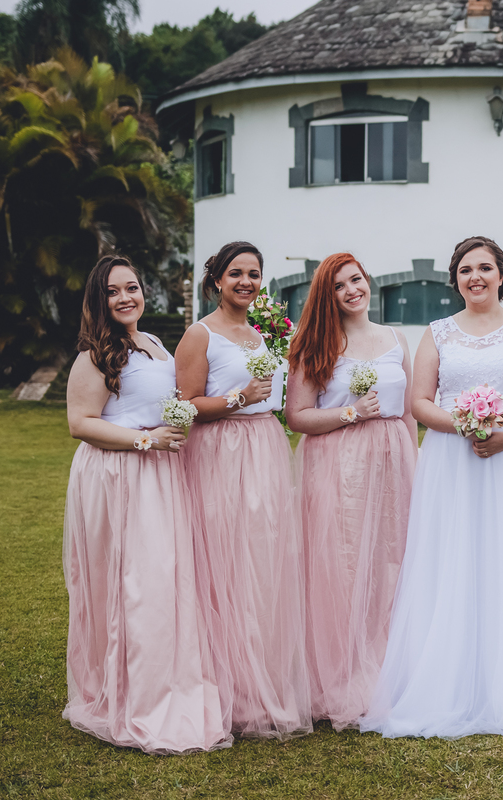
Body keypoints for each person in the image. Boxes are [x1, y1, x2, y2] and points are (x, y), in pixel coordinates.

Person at [361, 235, 503, 739]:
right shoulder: (437, 332)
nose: (474, 277)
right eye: (464, 270)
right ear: (455, 280)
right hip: (451, 459)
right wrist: (467, 425)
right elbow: (421, 401)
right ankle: (445, 678)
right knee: (450, 554)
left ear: (502, 274)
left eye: (484, 268)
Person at [63, 255, 231, 754]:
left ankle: (167, 683)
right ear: (99, 300)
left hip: (161, 473)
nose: (125, 298)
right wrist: (144, 442)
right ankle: (131, 692)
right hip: (120, 475)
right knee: (134, 584)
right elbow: (80, 422)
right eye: (113, 291)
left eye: (132, 287)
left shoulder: (155, 343)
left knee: (167, 578)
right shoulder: (95, 354)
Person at [175, 241, 312, 739]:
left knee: (261, 563)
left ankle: (259, 684)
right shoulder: (200, 335)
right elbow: (186, 403)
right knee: (223, 562)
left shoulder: (259, 335)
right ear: (217, 280)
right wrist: (236, 398)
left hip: (264, 448)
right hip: (219, 453)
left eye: (254, 274)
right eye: (236, 273)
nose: (246, 282)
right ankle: (223, 687)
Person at [284, 253, 416, 730]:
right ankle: (341, 674)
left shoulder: (397, 338)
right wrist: (350, 414)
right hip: (339, 462)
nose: (351, 291)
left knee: (390, 561)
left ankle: (388, 667)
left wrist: (414, 465)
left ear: (368, 281)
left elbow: (408, 411)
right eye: (339, 286)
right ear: (328, 295)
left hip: (393, 459)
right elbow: (297, 416)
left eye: (356, 280)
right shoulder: (315, 343)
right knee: (342, 565)